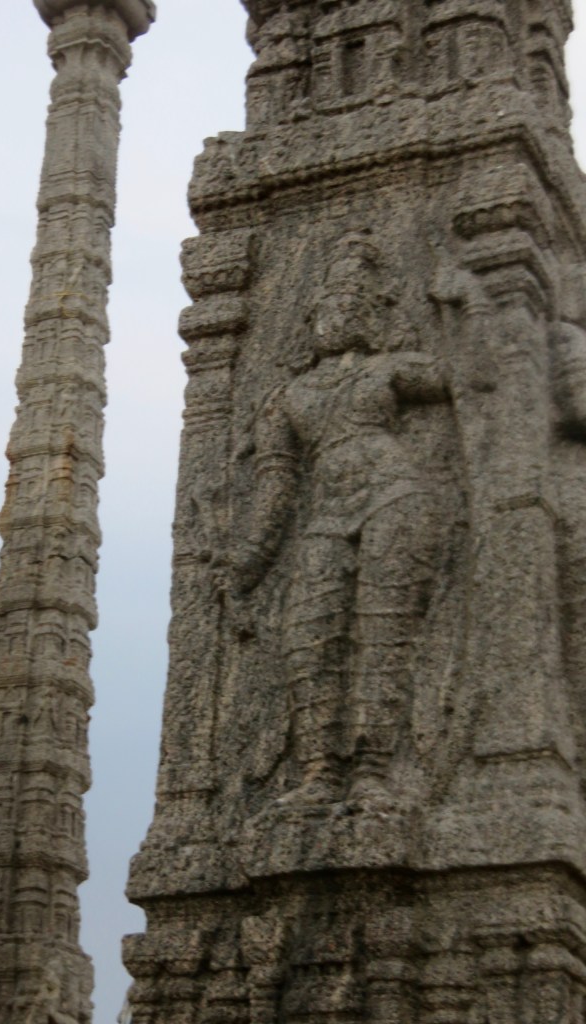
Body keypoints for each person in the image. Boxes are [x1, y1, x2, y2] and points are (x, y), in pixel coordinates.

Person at [217, 235, 447, 809]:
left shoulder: (391, 369)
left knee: (382, 637)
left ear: (372, 316)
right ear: (311, 319)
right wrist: (249, 559)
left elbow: (460, 378)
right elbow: (276, 484)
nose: (339, 318)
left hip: (397, 498)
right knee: (308, 640)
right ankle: (318, 771)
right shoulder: (286, 397)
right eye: (330, 308)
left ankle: (372, 771)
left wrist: (466, 303)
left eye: (353, 307)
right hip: (325, 516)